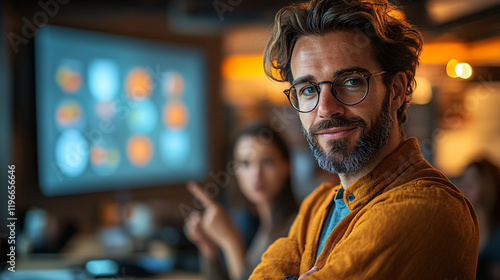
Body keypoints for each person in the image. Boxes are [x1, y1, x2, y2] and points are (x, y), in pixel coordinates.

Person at [249, 0, 480, 279]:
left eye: (350, 82)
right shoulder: (316, 206)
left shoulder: (427, 207)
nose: (325, 108)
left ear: (395, 91)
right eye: (308, 89)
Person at [184, 122, 299, 280]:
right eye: (245, 164)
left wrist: (230, 242)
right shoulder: (263, 226)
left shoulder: (295, 228)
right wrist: (209, 249)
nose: (256, 174)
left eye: (267, 162)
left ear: (287, 166)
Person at [460, 159, 500, 280]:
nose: (464, 189)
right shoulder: (460, 229)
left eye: (471, 183)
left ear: (488, 186)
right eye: (464, 183)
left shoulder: (497, 235)